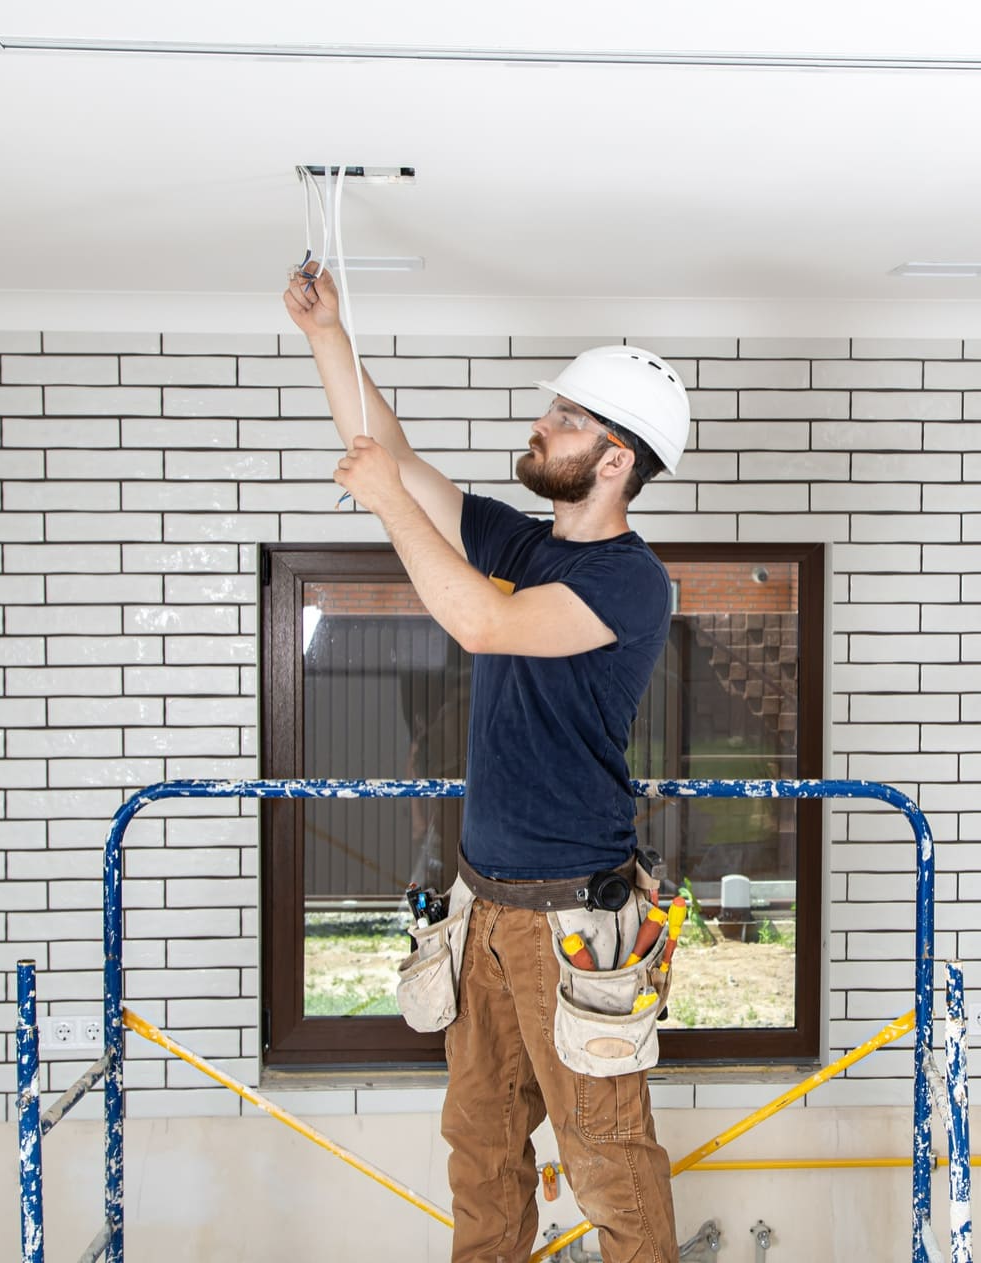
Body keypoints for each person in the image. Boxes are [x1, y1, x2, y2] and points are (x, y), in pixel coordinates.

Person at [284, 266, 691, 1262]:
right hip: (483, 908)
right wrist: (328, 337)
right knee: (479, 1145)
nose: (541, 423)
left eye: (564, 416)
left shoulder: (629, 581)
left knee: (605, 1159)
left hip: (570, 920)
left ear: (613, 460)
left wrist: (386, 506)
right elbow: (391, 457)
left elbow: (483, 621)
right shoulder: (520, 540)